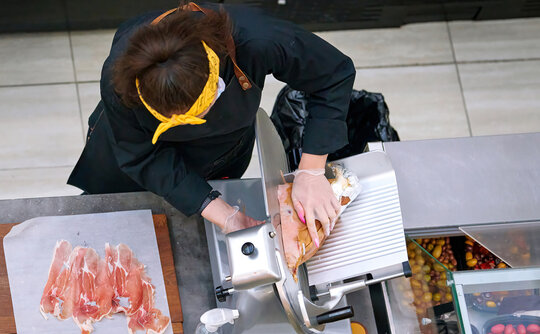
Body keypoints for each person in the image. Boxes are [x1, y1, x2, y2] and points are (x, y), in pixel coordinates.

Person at [68, 2, 355, 244]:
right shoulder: (119, 79)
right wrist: (222, 213)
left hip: (222, 147)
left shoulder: (256, 39)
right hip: (137, 152)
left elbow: (333, 74)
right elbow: (141, 156)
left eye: (200, 111)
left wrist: (311, 171)